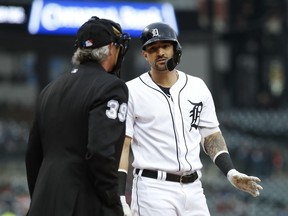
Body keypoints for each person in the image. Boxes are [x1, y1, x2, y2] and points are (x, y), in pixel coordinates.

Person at [118, 22, 263, 216]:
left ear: (175, 48)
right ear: (145, 55)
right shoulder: (131, 91)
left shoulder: (197, 87)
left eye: (165, 46)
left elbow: (211, 136)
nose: (160, 52)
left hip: (194, 188)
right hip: (153, 189)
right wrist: (119, 196)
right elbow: (123, 146)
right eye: (153, 48)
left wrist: (231, 172)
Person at [25, 16, 130, 216]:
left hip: (43, 203)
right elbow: (101, 153)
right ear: (110, 48)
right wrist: (112, 201)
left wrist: (40, 196)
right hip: (83, 204)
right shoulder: (111, 87)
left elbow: (32, 156)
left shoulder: (50, 89)